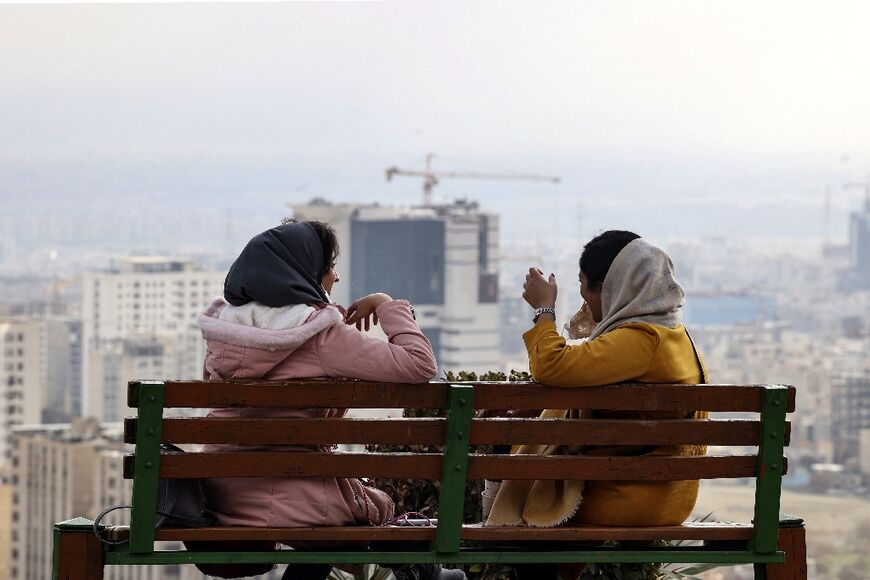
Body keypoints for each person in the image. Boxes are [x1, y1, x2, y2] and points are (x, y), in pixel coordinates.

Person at [197, 220, 464, 580]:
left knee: (337, 536)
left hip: (220, 494)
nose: (335, 277)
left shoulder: (226, 335)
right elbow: (419, 364)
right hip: (295, 497)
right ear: (303, 273)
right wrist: (387, 305)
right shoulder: (322, 338)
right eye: (329, 267)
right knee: (374, 511)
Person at [485, 230, 708, 578]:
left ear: (608, 288)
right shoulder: (673, 335)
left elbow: (551, 366)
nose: (583, 296)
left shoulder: (642, 340)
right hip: (666, 494)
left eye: (584, 285)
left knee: (527, 530)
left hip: (630, 498)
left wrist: (545, 309)